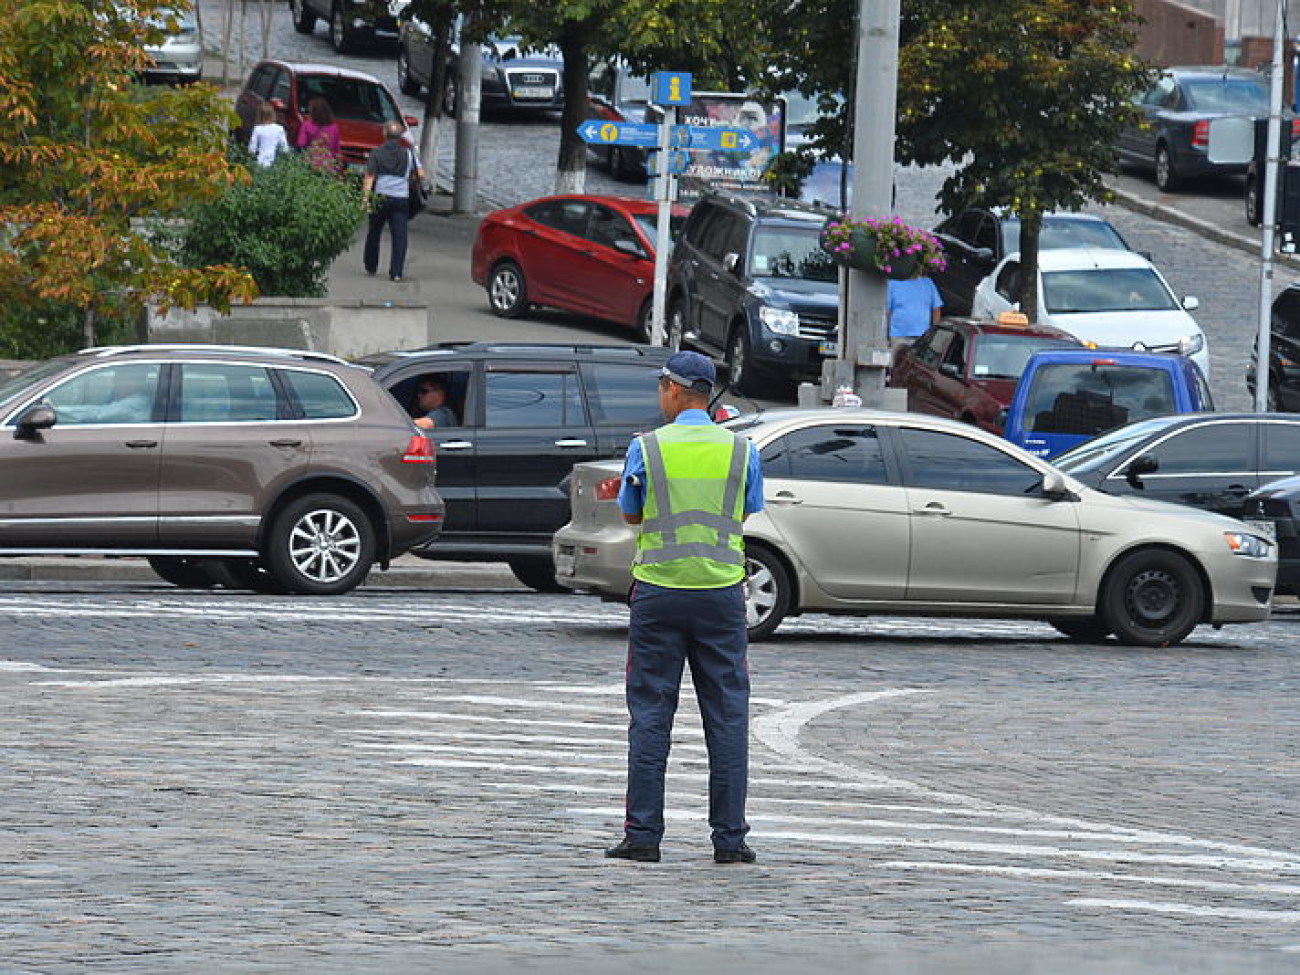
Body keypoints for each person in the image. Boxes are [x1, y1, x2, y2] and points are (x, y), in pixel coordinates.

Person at [605, 350, 765, 866]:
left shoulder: (647, 448)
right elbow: (746, 510)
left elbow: (631, 514)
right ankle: (730, 840)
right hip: (721, 594)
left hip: (659, 591)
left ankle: (644, 836)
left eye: (661, 387)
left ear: (674, 390)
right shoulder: (742, 450)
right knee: (728, 716)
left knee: (651, 714)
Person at [362, 121, 425, 283]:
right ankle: (396, 272)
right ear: (399, 137)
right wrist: (409, 178)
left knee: (374, 231)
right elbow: (421, 174)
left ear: (385, 135)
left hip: (381, 197)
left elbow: (369, 177)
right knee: (400, 236)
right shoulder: (409, 154)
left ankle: (371, 264)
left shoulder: (377, 153)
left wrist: (365, 199)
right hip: (400, 198)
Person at [886, 271, 943, 354]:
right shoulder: (893, 283)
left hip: (922, 337)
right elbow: (888, 312)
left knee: (918, 365)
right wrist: (887, 334)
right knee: (897, 365)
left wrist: (933, 335)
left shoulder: (928, 283)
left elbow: (936, 309)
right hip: (898, 336)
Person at [296, 97, 342, 173]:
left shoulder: (306, 125)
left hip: (311, 162)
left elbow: (301, 143)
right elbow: (336, 149)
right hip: (328, 164)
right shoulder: (334, 127)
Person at [248, 102, 289, 168]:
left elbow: (252, 149)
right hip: (274, 163)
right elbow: (285, 149)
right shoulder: (279, 129)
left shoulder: (257, 129)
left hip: (260, 162)